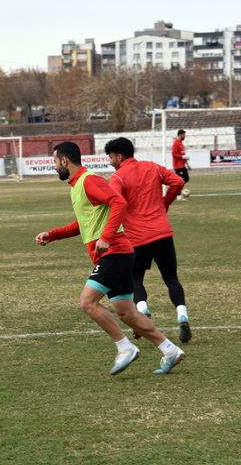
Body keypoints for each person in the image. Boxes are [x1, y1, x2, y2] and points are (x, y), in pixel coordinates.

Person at [35, 141, 185, 376]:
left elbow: (119, 202)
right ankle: (169, 349)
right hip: (116, 254)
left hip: (114, 252)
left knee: (87, 302)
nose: (54, 167)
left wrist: (106, 237)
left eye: (55, 162)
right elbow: (82, 224)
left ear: (64, 161)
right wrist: (52, 235)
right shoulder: (76, 186)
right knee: (127, 312)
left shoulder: (89, 180)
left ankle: (124, 347)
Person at [104, 137, 192, 344]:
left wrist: (109, 233)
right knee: (171, 278)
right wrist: (165, 203)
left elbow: (116, 204)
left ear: (119, 156)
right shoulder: (152, 167)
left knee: (135, 279)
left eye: (110, 157)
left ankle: (143, 311)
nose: (110, 162)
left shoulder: (118, 178)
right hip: (162, 233)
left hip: (137, 238)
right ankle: (182, 315)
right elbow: (178, 182)